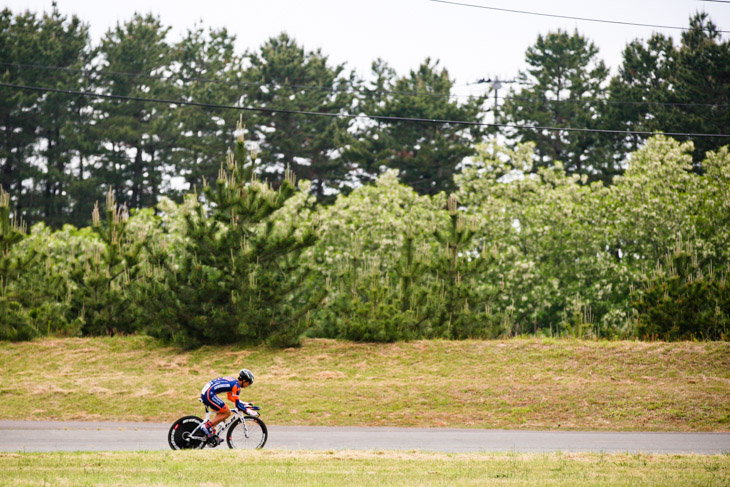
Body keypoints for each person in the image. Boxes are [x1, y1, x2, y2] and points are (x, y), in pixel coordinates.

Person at [199, 368, 255, 445]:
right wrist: (248, 411)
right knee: (227, 412)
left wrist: (244, 403)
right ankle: (206, 427)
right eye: (248, 383)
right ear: (244, 380)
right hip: (209, 393)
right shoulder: (237, 387)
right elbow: (237, 405)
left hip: (206, 392)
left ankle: (212, 433)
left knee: (221, 413)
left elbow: (230, 397)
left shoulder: (233, 381)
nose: (247, 385)